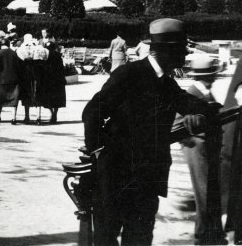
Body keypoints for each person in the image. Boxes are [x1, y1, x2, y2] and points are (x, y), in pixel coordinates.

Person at [83, 18, 217, 246]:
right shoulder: (128, 74)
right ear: (167, 51)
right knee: (106, 238)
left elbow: (191, 104)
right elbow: (92, 112)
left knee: (140, 239)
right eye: (182, 50)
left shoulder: (165, 82)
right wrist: (99, 151)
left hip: (147, 180)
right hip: (116, 176)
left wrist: (201, 116)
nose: (185, 56)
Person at [181, 54, 227, 245]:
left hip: (207, 146)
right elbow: (179, 124)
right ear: (204, 76)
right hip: (197, 148)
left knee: (210, 191)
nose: (214, 77)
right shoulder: (192, 93)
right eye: (211, 74)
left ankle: (212, 232)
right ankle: (203, 236)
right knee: (204, 193)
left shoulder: (205, 91)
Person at [15, 34, 48, 125]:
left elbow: (18, 65)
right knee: (37, 94)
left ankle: (27, 116)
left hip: (26, 76)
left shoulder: (20, 50)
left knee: (26, 95)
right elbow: (44, 61)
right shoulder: (40, 49)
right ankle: (38, 117)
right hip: (37, 76)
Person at [0, 39, 23, 124]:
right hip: (14, 79)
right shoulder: (14, 52)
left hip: (2, 78)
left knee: (0, 98)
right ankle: (14, 118)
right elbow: (18, 65)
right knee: (14, 98)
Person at [38, 29, 67, 124]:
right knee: (57, 99)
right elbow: (62, 69)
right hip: (57, 80)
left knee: (48, 98)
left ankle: (52, 114)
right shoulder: (58, 57)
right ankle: (54, 114)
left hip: (49, 80)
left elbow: (43, 69)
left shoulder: (46, 57)